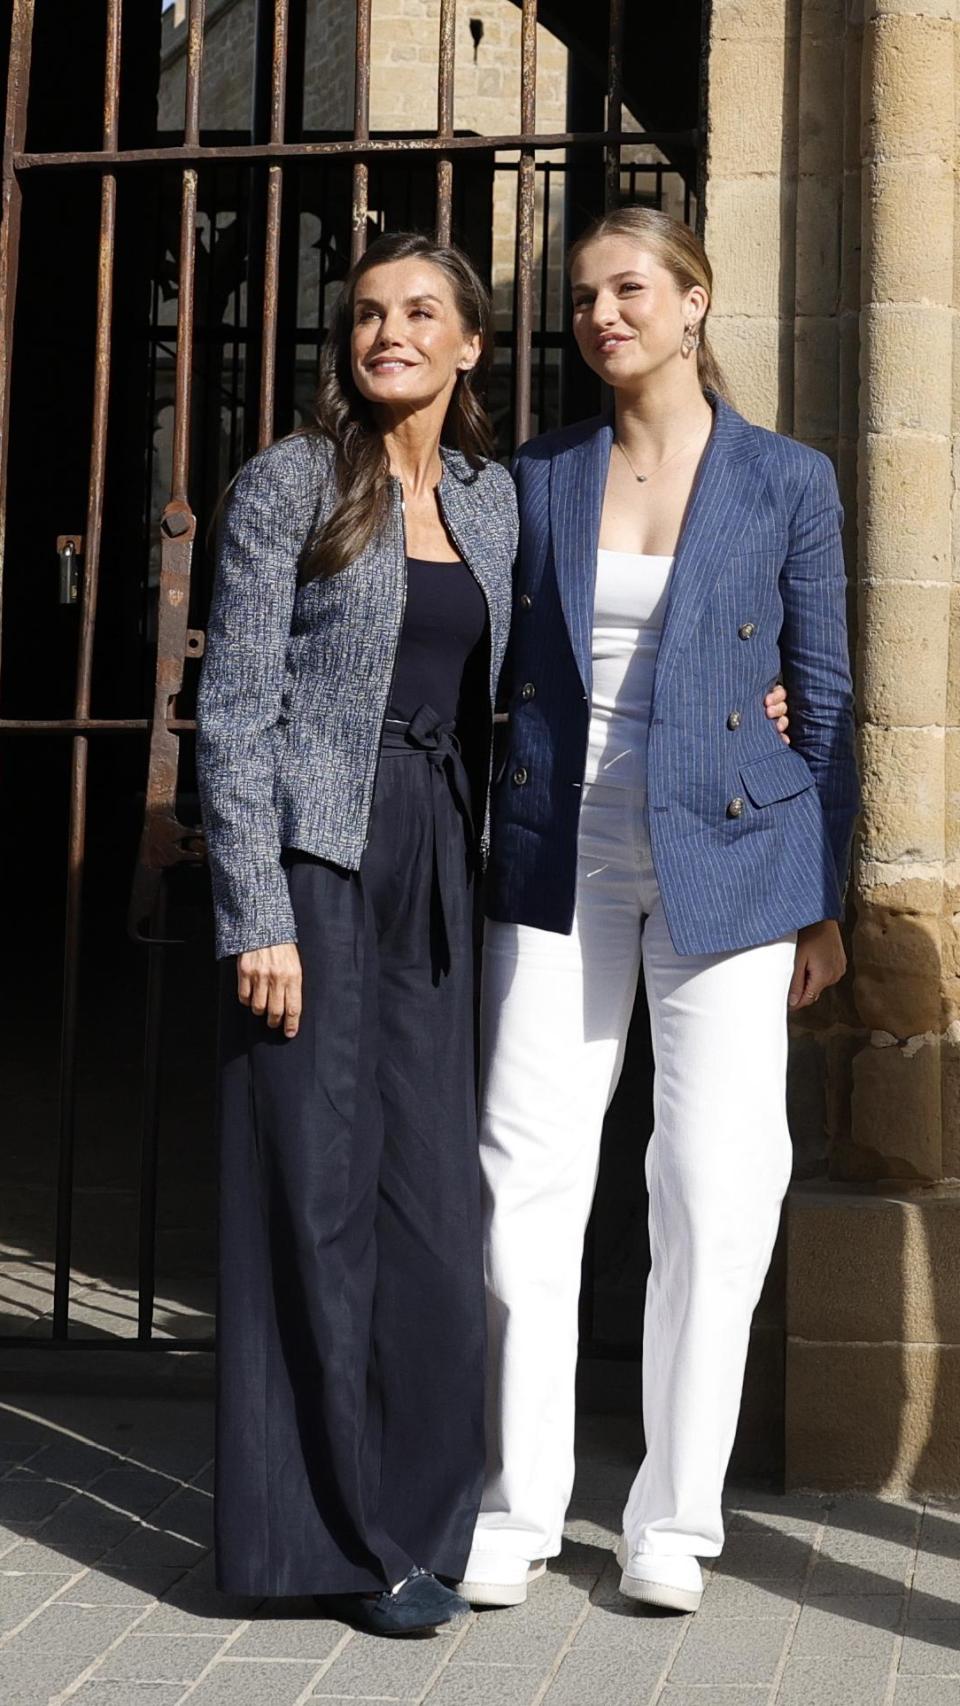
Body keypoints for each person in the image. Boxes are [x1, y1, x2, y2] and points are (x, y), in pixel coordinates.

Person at [459, 206, 860, 1615]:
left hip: (737, 849)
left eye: (630, 288)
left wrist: (827, 900)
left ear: (695, 300)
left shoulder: (786, 479)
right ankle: (519, 1502)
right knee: (525, 1175)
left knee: (714, 1181)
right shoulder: (541, 473)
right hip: (558, 852)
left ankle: (674, 1517)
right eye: (582, 297)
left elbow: (828, 691)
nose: (602, 314)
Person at [195, 232, 516, 1635]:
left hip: (439, 861)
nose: (392, 330)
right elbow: (233, 709)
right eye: (372, 311)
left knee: (439, 1221)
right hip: (318, 860)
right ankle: (329, 1544)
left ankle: (425, 1512)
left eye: (423, 312)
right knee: (314, 1203)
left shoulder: (495, 503)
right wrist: (254, 908)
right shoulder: (289, 481)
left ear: (470, 346)